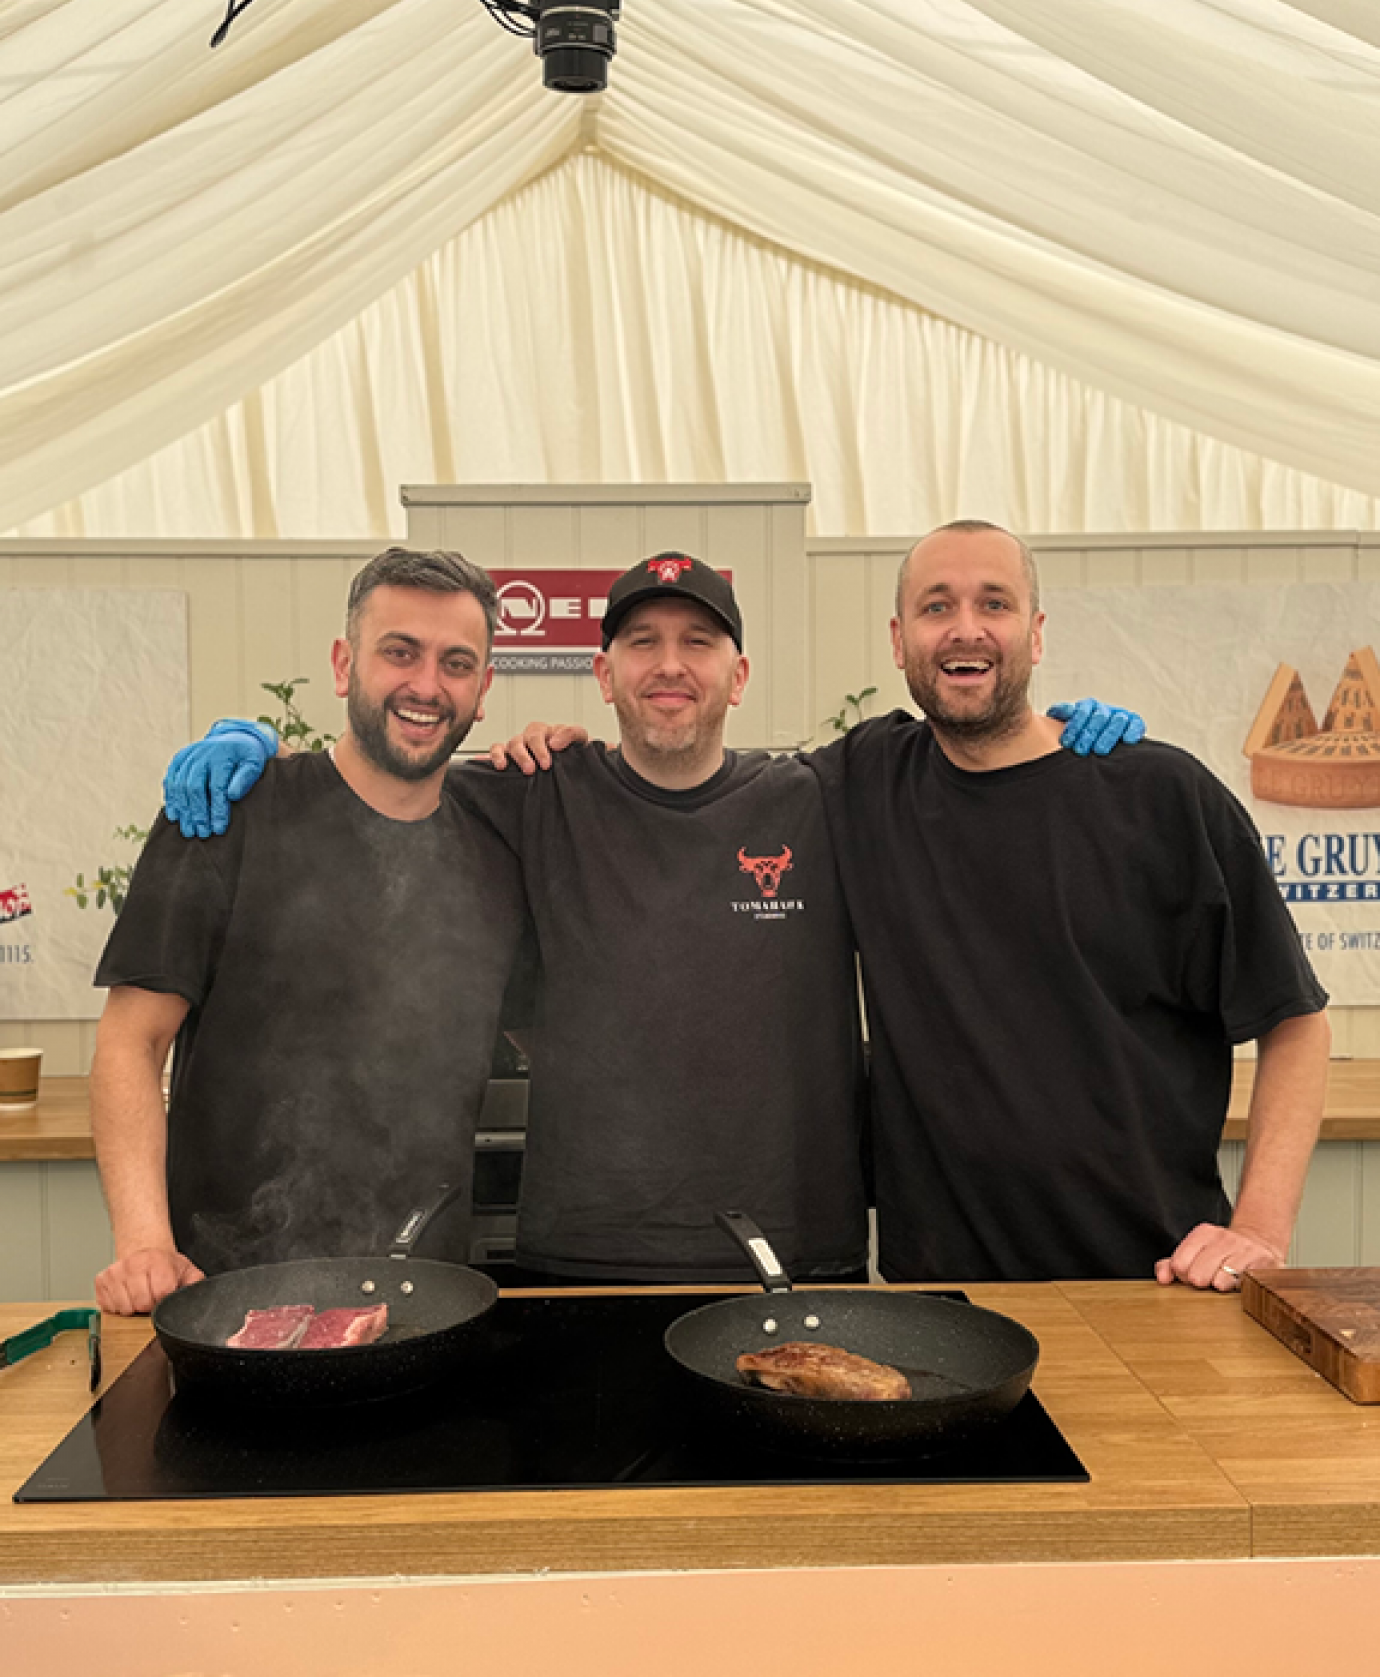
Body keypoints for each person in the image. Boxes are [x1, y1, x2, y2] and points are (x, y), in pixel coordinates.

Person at [165, 552, 1141, 1286]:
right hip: (578, 1267)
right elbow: (391, 768)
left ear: (740, 674)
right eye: (642, 642)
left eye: (697, 642)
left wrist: (1060, 734)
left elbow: (974, 751)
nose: (669, 666)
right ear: (602, 673)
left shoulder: (827, 793)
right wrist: (251, 745)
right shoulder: (534, 794)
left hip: (797, 1266)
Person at [806, 520, 1331, 1289]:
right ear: (898, 638)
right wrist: (563, 759)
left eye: (995, 603)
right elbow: (700, 785)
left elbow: (1295, 1022)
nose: (966, 629)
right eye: (936, 606)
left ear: (1037, 633)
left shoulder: (1161, 797)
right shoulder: (860, 784)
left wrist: (1257, 1228)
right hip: (944, 1305)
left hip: (1153, 1285)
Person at [91, 548, 527, 1314]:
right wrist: (144, 1244)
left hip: (425, 1294)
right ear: (342, 663)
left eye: (456, 663)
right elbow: (132, 1040)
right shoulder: (224, 815)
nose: (427, 685)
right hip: (227, 1292)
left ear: (483, 689)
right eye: (400, 653)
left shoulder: (500, 847)